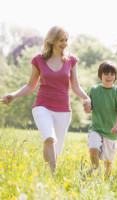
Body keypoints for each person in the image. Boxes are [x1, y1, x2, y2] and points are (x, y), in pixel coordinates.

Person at [1, 26, 91, 173]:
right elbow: (31, 85)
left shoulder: (71, 60)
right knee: (49, 138)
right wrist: (14, 95)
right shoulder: (38, 60)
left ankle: (47, 174)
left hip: (63, 110)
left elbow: (75, 86)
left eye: (66, 40)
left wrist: (87, 98)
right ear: (53, 40)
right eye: (61, 40)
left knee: (56, 149)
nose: (64, 43)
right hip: (42, 106)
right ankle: (53, 177)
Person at [83, 61, 117, 178]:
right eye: (106, 73)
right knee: (93, 147)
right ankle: (95, 173)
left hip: (111, 131)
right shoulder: (93, 90)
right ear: (100, 75)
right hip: (96, 128)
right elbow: (88, 110)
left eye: (112, 74)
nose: (109, 77)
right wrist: (86, 107)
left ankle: (107, 180)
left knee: (108, 161)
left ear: (115, 76)